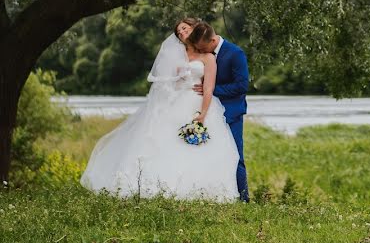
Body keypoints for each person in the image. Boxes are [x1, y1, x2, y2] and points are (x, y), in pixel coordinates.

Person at [80, 18, 239, 201]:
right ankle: (163, 187)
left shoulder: (208, 57)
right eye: (179, 32)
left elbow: (209, 87)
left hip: (197, 103)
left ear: (194, 28)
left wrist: (203, 114)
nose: (182, 33)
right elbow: (165, 85)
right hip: (176, 103)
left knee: (202, 148)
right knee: (167, 142)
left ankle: (201, 190)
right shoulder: (175, 55)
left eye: (185, 28)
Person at [188, 22, 250, 202]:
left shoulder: (235, 53)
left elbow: (241, 86)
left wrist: (210, 90)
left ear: (213, 40)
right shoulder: (203, 52)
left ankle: (244, 200)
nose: (201, 51)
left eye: (203, 48)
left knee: (235, 157)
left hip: (231, 112)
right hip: (207, 112)